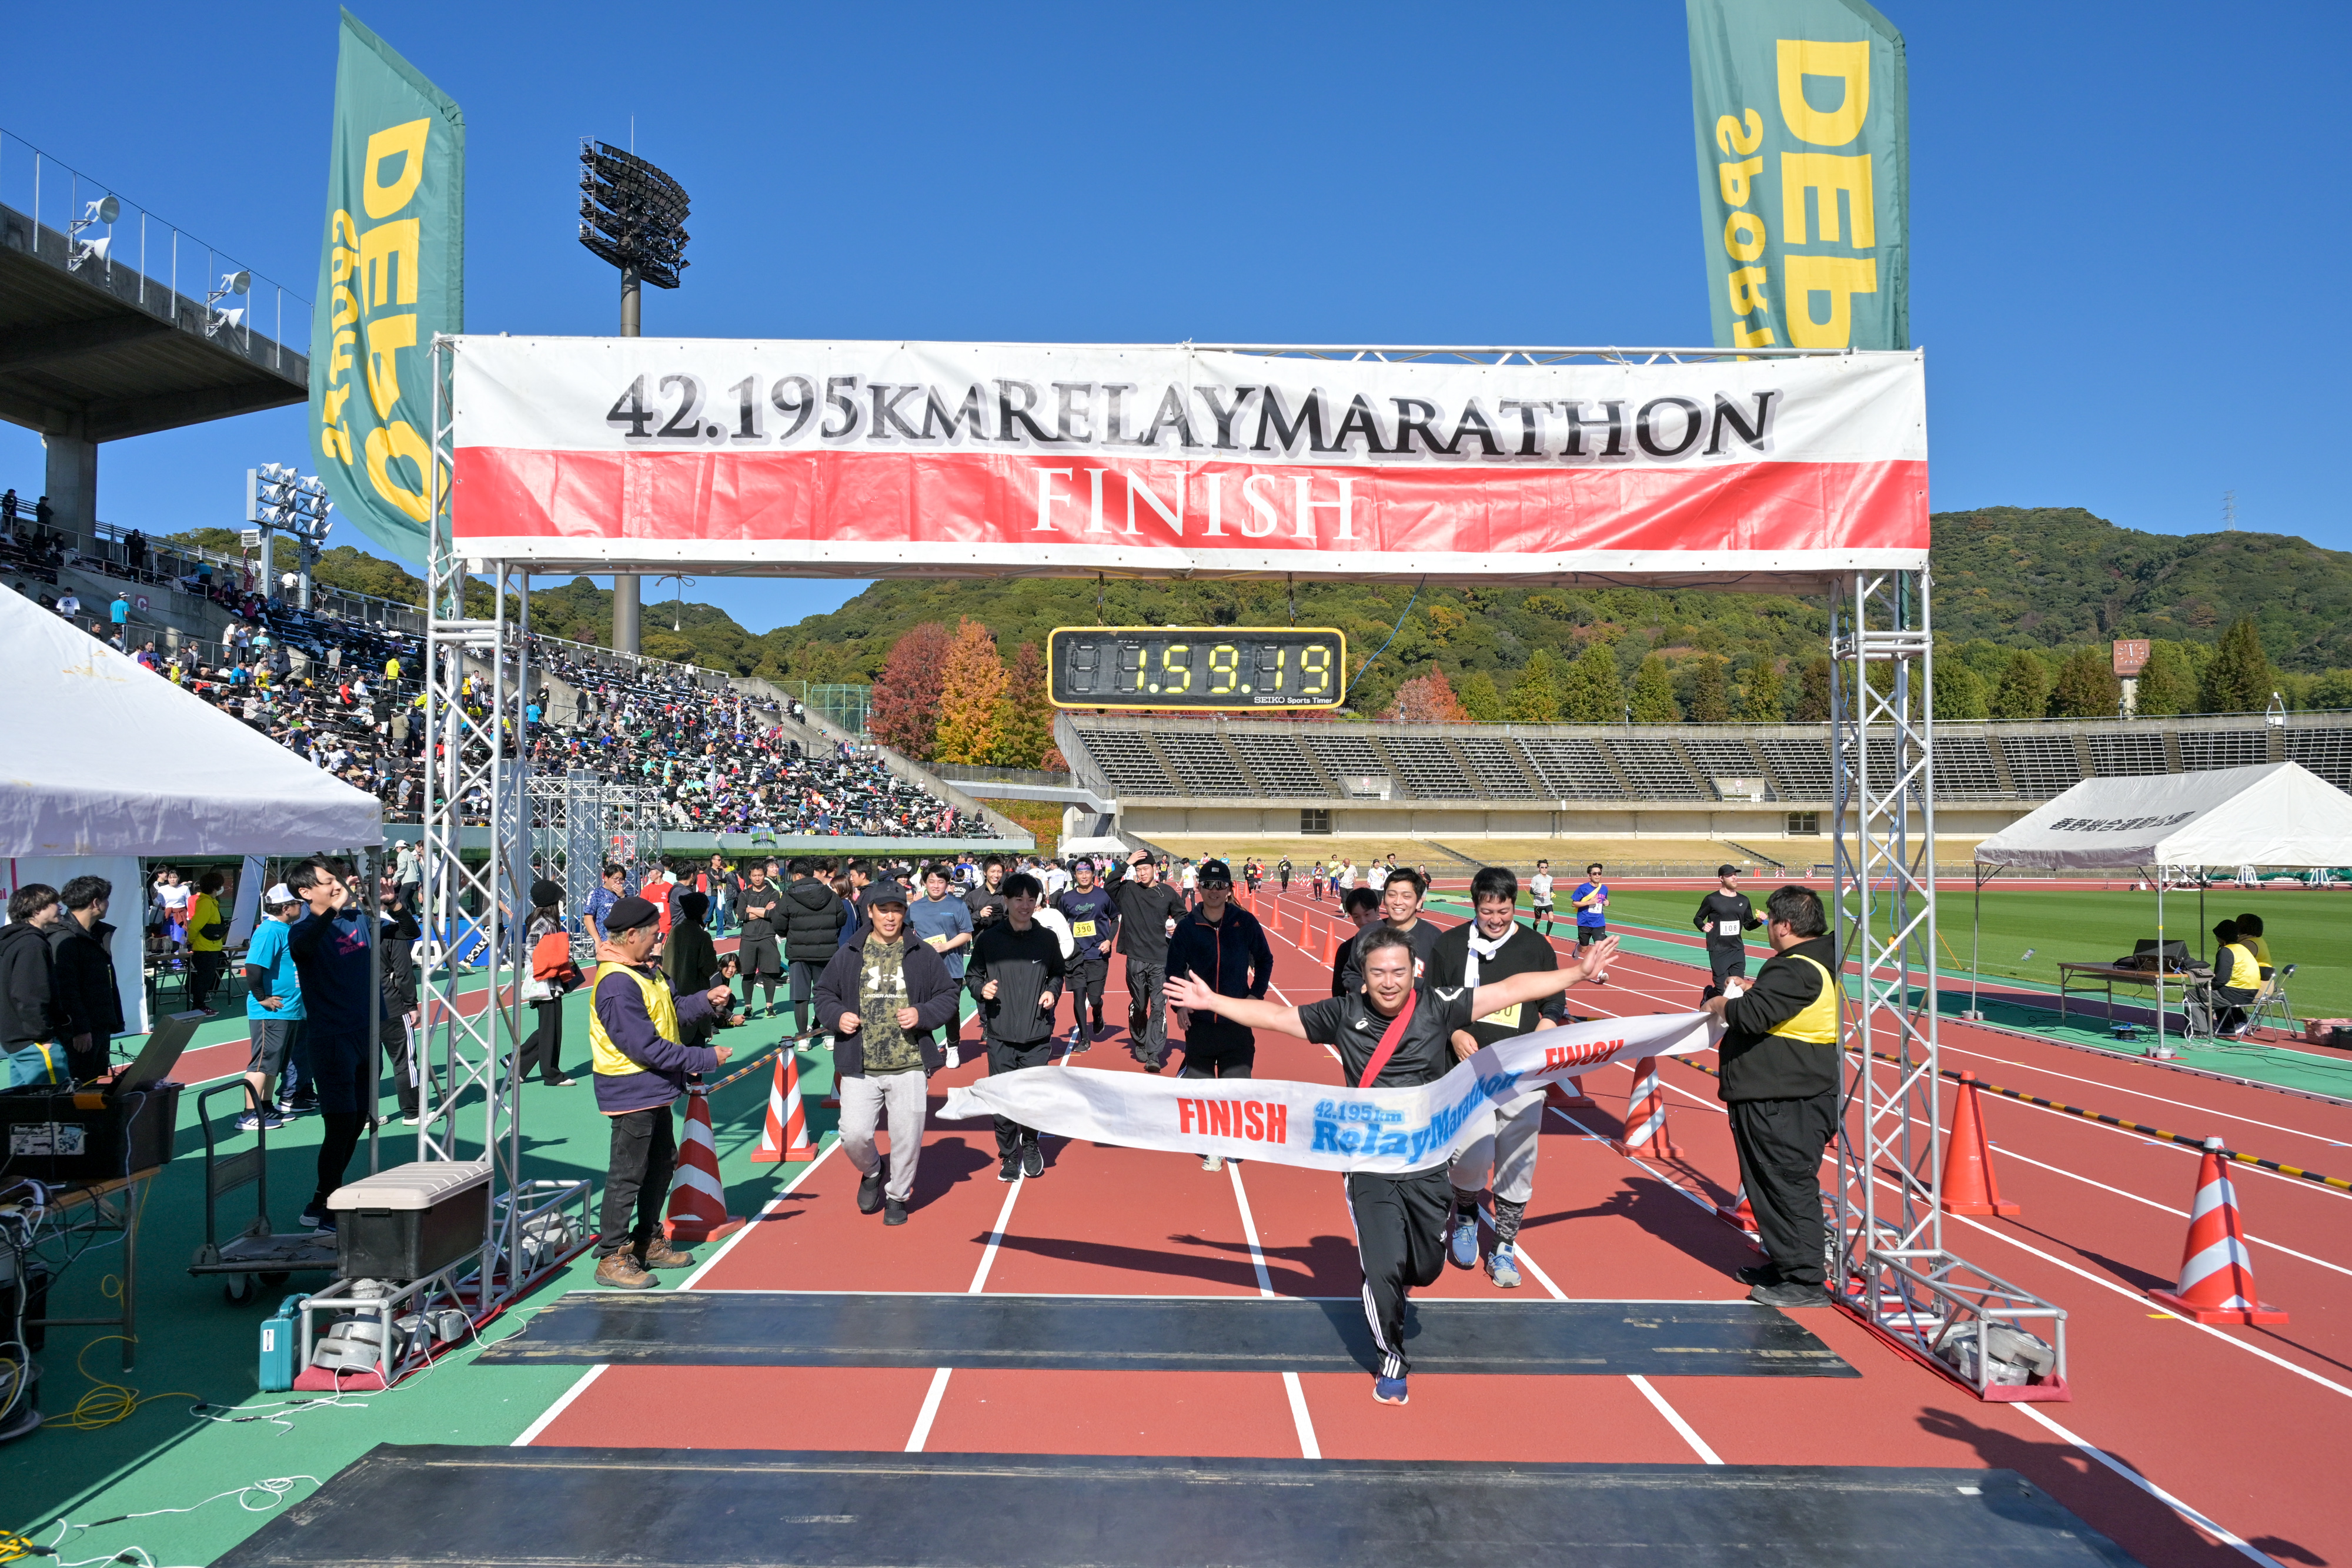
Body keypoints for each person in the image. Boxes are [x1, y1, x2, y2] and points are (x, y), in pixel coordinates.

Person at [1169, 925, 1617, 1406]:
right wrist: (1213, 1001)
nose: (1389, 981)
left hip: (1427, 1163)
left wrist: (1577, 972)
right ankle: (1392, 1359)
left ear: (1413, 971)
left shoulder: (1438, 1005)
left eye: (1398, 971)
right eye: (1378, 972)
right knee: (1383, 1265)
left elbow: (1510, 990)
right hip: (1368, 1162)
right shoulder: (1343, 1013)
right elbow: (1278, 1016)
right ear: (1363, 976)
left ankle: (1397, 1276)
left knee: (1424, 1268)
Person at [1428, 867, 1573, 1288]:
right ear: (1475, 906)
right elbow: (1431, 1004)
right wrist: (1454, 1033)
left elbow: (1554, 998)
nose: (1495, 919)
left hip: (1521, 1073)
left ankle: (1505, 1245)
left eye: (1504, 911)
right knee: (1470, 1155)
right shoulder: (1450, 945)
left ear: (1515, 906)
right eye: (1487, 911)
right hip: (1468, 1071)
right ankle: (1467, 1213)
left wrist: (1546, 1026)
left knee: (1517, 1158)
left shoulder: (1535, 946)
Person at [1700, 885, 1840, 1308]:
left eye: (1770, 921)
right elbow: (1776, 1005)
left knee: (1786, 1183)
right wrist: (1754, 986)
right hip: (1782, 1094)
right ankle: (1786, 1263)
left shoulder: (1796, 968)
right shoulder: (1811, 961)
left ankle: (1805, 1279)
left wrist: (1719, 1003)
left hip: (1784, 1099)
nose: (1767, 928)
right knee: (1767, 1184)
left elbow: (1751, 1015)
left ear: (1784, 925)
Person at [588, 895, 734, 1289]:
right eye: (654, 934)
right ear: (631, 935)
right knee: (628, 1173)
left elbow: (672, 1010)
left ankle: (647, 1239)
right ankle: (611, 1255)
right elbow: (646, 1048)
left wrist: (705, 1000)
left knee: (661, 1163)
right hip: (632, 1089)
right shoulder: (617, 983)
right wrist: (705, 1058)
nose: (659, 940)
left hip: (654, 1088)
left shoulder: (644, 972)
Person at [815, 881, 961, 1225]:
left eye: (897, 910)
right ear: (871, 912)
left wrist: (922, 1014)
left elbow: (948, 995)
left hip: (910, 1063)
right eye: (884, 910)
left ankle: (898, 1196)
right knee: (853, 1134)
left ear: (904, 913)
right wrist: (838, 1016)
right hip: (859, 1064)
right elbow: (823, 994)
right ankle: (872, 1170)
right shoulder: (850, 951)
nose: (891, 917)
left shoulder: (922, 953)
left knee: (907, 1138)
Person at [285, 859, 379, 1232]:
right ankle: (327, 1206)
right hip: (332, 1038)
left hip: (365, 1032)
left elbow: (408, 931)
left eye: (337, 879)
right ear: (306, 892)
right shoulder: (302, 929)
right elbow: (303, 950)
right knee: (339, 1124)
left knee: (357, 1121)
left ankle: (322, 1200)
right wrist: (331, 912)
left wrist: (394, 903)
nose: (337, 885)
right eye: (328, 882)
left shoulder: (358, 920)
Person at [1165, 860, 1273, 1171]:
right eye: (1208, 885)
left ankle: (1230, 1138)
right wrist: (1180, 1006)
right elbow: (1173, 970)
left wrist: (1255, 996)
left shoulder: (1245, 922)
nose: (1214, 891)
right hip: (1200, 1026)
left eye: (1220, 885)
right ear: (1199, 888)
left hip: (1237, 1023)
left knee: (1236, 1089)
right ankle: (1213, 1146)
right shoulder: (1187, 927)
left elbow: (1265, 959)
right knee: (1202, 1093)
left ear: (1229, 889)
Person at [967, 871, 1065, 1182]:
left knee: (1033, 1097)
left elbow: (1057, 974)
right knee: (1003, 1098)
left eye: (1031, 899)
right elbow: (973, 976)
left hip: (1037, 1033)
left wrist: (1052, 991)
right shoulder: (989, 940)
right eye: (1019, 899)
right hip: (1000, 1033)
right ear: (1006, 901)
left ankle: (1031, 1144)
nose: (1025, 905)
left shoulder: (1047, 939)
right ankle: (1008, 1155)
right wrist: (981, 990)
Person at [1108, 851, 1184, 1071]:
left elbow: (1183, 915)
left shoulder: (1167, 893)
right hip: (1136, 958)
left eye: (1146, 869)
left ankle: (1154, 1054)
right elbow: (1109, 886)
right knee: (1140, 1004)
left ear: (1155, 869)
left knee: (1159, 1006)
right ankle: (1140, 1040)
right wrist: (1126, 864)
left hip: (1161, 959)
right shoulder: (1128, 890)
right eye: (1138, 869)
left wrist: (1176, 926)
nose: (1142, 873)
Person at [239, 885, 306, 1128]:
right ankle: (249, 1113)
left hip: (288, 1009)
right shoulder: (269, 930)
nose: (301, 906)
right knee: (263, 1061)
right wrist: (262, 998)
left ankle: (265, 1107)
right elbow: (253, 967)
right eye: (298, 903)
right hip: (271, 1011)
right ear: (286, 908)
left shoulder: (284, 929)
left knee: (274, 1063)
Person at [49, 875, 125, 1085]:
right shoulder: (64, 939)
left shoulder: (95, 934)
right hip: (80, 1033)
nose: (108, 904)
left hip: (99, 1026)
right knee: (76, 1088)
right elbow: (66, 989)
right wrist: (80, 1029)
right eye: (106, 899)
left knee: (92, 1085)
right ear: (96, 903)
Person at [1, 884, 69, 1086]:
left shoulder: (13, 941)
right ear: (37, 909)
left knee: (25, 1102)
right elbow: (29, 994)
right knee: (53, 1099)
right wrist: (43, 1036)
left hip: (16, 1040)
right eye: (54, 903)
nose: (60, 907)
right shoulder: (32, 944)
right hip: (34, 1042)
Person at [520, 879, 582, 1087]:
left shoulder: (543, 919)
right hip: (546, 981)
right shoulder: (544, 921)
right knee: (551, 1029)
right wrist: (549, 961)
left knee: (549, 1028)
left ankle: (517, 1064)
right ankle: (551, 1074)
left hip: (548, 981)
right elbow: (531, 946)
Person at [1338, 868, 1440, 994]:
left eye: (1406, 896)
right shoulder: (1366, 934)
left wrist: (1412, 984)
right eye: (1392, 895)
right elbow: (1351, 973)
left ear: (1419, 902)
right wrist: (1362, 988)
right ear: (1384, 898)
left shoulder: (1435, 938)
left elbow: (1441, 983)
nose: (1398, 902)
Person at [1054, 858, 1120, 1051]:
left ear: (1093, 874)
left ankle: (1098, 1013)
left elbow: (1115, 920)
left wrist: (1109, 941)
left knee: (1094, 999)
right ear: (1075, 875)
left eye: (1087, 872)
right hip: (1074, 956)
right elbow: (1060, 924)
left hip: (1097, 954)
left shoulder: (1103, 896)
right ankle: (1084, 1039)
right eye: (1080, 872)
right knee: (1078, 997)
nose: (1084, 876)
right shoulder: (1066, 899)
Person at [783, 858, 846, 1039]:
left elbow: (779, 923)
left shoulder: (789, 896)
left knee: (801, 997)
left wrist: (792, 932)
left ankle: (803, 1037)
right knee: (826, 994)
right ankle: (829, 1034)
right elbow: (841, 918)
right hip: (826, 953)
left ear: (797, 875)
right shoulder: (830, 895)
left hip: (798, 953)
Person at [379, 876, 425, 1119]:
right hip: (390, 1006)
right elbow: (403, 970)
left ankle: (365, 1114)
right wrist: (411, 1004)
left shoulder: (347, 929)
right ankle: (413, 1112)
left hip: (358, 1007)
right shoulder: (387, 929)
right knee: (404, 1060)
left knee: (366, 1065)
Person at [1693, 865, 1763, 998]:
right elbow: (1698, 918)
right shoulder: (1712, 899)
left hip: (1737, 950)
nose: (1734, 878)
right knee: (1722, 990)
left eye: (1735, 875)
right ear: (1721, 878)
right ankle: (1709, 994)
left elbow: (1748, 925)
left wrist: (1759, 921)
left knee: (1736, 989)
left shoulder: (1744, 900)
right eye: (1730, 875)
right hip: (1719, 950)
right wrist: (1703, 926)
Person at [908, 864, 976, 983]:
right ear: (925, 883)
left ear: (947, 884)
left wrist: (945, 946)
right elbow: (905, 931)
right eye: (932, 882)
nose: (936, 886)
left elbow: (967, 934)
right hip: (922, 970)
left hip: (951, 971)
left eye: (941, 882)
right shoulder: (914, 907)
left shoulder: (958, 905)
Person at [736, 864, 786, 1017]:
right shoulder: (744, 894)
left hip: (767, 936)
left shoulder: (774, 893)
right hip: (748, 938)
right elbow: (741, 916)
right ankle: (748, 1007)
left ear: (764, 875)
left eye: (760, 875)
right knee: (747, 974)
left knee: (769, 974)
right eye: (754, 875)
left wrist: (751, 909)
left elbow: (771, 914)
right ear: (749, 876)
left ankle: (769, 1007)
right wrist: (763, 910)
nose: (757, 878)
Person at [186, 871, 232, 1014]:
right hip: (205, 947)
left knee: (207, 978)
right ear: (215, 886)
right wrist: (191, 940)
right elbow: (196, 925)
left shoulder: (211, 902)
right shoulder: (206, 903)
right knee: (204, 978)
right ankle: (198, 1006)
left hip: (212, 946)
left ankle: (200, 1005)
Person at [2207, 920, 2261, 1038]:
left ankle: (2204, 1029)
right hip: (2253, 991)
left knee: (2197, 994)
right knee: (2219, 991)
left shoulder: (2226, 951)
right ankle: (2239, 1019)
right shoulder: (2242, 948)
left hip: (2238, 992)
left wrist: (2207, 985)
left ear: (2221, 937)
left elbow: (2221, 980)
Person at [1328, 885, 1385, 996]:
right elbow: (1338, 991)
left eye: (1367, 914)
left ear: (1377, 910)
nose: (1363, 921)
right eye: (1356, 917)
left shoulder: (1397, 943)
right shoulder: (1346, 949)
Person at [1570, 862, 1611, 984]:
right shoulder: (1583, 888)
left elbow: (1604, 900)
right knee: (1584, 949)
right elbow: (1574, 903)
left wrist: (1608, 903)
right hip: (1584, 922)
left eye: (1599, 873)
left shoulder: (1604, 888)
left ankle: (1600, 975)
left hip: (1599, 922)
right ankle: (1577, 949)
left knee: (1600, 948)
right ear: (1589, 875)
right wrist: (1589, 902)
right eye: (1595, 874)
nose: (1597, 876)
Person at [584, 863, 626, 945]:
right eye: (616, 879)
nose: (619, 882)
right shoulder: (596, 894)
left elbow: (630, 913)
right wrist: (597, 940)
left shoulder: (623, 894)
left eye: (621, 880)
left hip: (622, 941)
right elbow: (588, 918)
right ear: (606, 878)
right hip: (604, 941)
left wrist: (623, 896)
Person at [2234, 912, 2273, 979]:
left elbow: (2232, 965)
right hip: (2263, 981)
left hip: (2255, 983)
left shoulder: (2248, 944)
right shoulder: (2258, 941)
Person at [1529, 859, 1556, 937]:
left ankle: (1547, 936)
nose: (1544, 869)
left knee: (1551, 918)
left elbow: (1551, 888)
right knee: (1538, 921)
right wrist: (1540, 894)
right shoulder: (1536, 878)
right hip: (1538, 904)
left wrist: (1552, 892)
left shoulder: (1550, 878)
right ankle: (1534, 933)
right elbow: (1531, 891)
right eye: (1542, 867)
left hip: (1548, 902)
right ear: (1539, 869)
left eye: (1546, 867)